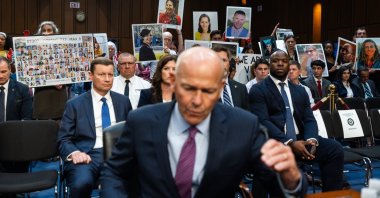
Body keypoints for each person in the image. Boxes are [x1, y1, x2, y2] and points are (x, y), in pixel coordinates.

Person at [100, 47, 306, 197]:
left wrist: (291, 177)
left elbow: (281, 186)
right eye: (189, 88)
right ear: (174, 82)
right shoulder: (142, 121)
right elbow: (114, 172)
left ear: (220, 88)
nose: (197, 101)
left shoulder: (244, 127)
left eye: (208, 91)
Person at [249, 50, 344, 192]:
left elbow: (309, 118)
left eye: (284, 61)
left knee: (334, 149)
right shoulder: (258, 90)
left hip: (302, 140)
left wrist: (311, 139)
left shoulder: (299, 91)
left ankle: (330, 194)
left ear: (289, 64)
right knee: (263, 165)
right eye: (276, 61)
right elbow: (263, 122)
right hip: (275, 142)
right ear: (270, 65)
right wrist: (290, 143)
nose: (280, 63)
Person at [58, 57, 132, 198]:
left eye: (110, 75)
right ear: (91, 76)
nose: (107, 79)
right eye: (101, 74)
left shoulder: (123, 101)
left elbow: (131, 133)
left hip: (117, 154)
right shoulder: (75, 104)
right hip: (86, 155)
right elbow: (63, 139)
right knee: (81, 183)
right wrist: (74, 153)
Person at [0, 56, 32, 174]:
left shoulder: (22, 89)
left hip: (16, 139)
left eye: (3, 72)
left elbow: (27, 118)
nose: (0, 76)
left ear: (10, 71)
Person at [33, 21, 68, 120]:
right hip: (42, 94)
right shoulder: (35, 48)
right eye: (43, 30)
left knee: (59, 124)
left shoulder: (62, 48)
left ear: (54, 32)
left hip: (58, 94)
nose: (46, 33)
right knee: (42, 127)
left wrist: (63, 80)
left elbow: (70, 70)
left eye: (49, 30)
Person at [212, 45, 249, 110]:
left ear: (229, 64)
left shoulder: (241, 88)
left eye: (224, 60)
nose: (221, 63)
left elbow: (248, 115)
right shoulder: (203, 88)